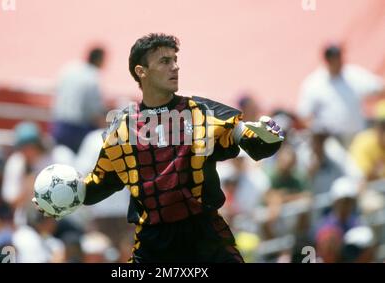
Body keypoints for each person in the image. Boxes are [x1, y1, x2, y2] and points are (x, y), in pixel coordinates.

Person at [34, 33, 284, 263]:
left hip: (206, 239)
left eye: (175, 60)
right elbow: (98, 185)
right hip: (152, 246)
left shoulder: (203, 113)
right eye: (165, 61)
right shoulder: (122, 130)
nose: (175, 67)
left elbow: (252, 141)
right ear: (141, 71)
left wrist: (265, 137)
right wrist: (57, 199)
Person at [297, 44, 384, 146]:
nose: (336, 61)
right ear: (326, 60)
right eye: (332, 58)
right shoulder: (314, 83)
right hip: (329, 140)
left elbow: (379, 87)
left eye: (338, 57)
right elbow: (304, 115)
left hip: (356, 136)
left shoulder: (353, 75)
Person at [52, 47, 107, 153]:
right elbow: (94, 111)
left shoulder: (70, 68)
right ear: (99, 59)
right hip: (78, 129)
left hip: (59, 124)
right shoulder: (93, 76)